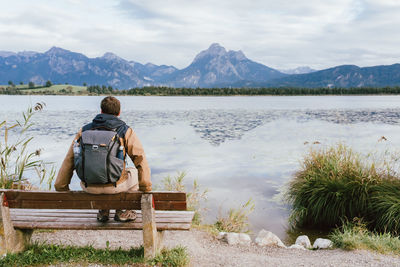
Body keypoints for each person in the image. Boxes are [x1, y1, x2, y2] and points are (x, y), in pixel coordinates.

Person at [55, 96, 152, 222]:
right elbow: (140, 158)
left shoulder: (84, 130)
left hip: (88, 186)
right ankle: (123, 211)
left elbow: (70, 159)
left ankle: (103, 211)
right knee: (132, 171)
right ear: (119, 112)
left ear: (101, 111)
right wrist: (145, 187)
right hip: (115, 186)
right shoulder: (124, 130)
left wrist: (61, 186)